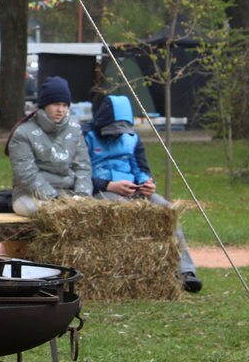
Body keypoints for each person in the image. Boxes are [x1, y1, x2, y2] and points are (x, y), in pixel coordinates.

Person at [83, 95, 202, 293]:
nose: (116, 135)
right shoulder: (85, 136)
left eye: (120, 131)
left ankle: (185, 272)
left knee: (167, 209)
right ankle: (131, 274)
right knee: (124, 210)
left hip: (133, 188)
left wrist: (147, 183)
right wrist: (109, 185)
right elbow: (80, 174)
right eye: (112, 131)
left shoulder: (132, 137)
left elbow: (141, 167)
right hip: (104, 190)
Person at [5, 76, 92, 216]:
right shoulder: (23, 132)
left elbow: (83, 166)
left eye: (64, 105)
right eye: (55, 104)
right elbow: (26, 174)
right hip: (31, 195)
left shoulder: (75, 130)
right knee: (52, 213)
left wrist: (82, 195)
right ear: (44, 104)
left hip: (70, 194)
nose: (60, 110)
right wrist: (55, 199)